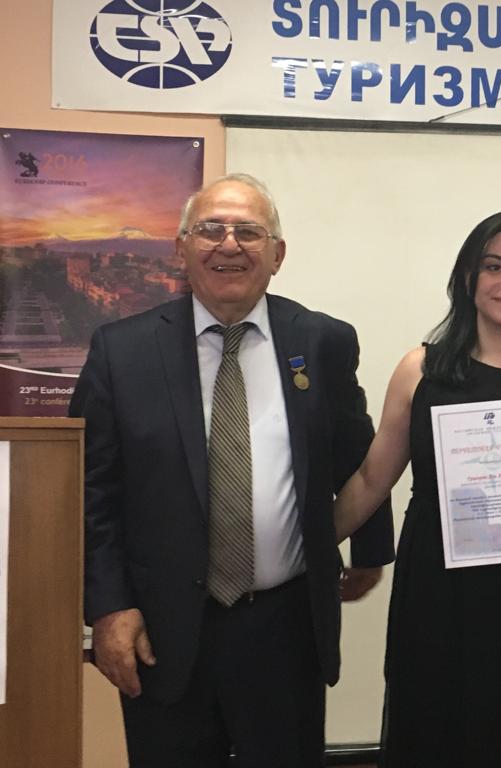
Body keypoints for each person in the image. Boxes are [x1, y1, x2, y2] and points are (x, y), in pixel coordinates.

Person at [69, 173, 395, 767]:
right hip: (162, 626)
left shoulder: (321, 341)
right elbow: (92, 494)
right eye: (210, 229)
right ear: (181, 247)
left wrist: (370, 553)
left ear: (278, 254)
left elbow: (356, 451)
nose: (229, 244)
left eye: (248, 231)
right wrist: (108, 608)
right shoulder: (121, 351)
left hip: (287, 623)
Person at [333, 210, 501, 767]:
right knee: (433, 720)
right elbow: (371, 480)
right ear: (468, 276)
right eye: (494, 266)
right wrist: (305, 549)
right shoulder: (420, 369)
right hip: (435, 583)